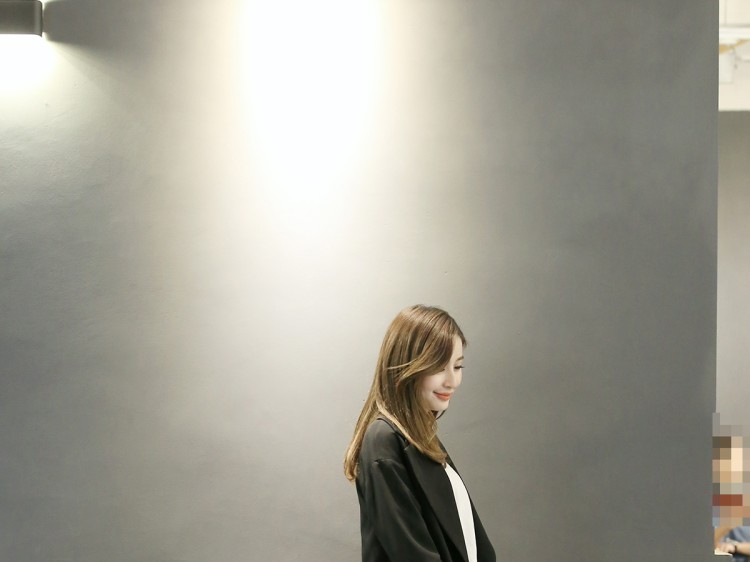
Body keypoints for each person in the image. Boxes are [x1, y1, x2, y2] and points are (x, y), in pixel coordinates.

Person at [344, 305, 496, 562]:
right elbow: (412, 553)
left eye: (458, 366)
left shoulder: (420, 439)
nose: (452, 381)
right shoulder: (384, 442)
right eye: (439, 367)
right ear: (406, 366)